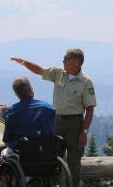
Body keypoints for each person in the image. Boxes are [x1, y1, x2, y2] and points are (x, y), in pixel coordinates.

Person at [11, 48, 96, 187]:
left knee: (74, 162)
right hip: (57, 121)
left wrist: (84, 132)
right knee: (52, 158)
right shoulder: (58, 73)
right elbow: (40, 71)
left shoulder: (86, 82)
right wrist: (25, 63)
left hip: (75, 124)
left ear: (77, 62)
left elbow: (90, 109)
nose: (63, 60)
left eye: (67, 58)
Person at [2, 76, 55, 157]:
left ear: (16, 94)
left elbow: (6, 139)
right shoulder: (47, 107)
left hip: (23, 155)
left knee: (4, 153)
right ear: (31, 89)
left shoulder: (11, 111)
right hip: (47, 153)